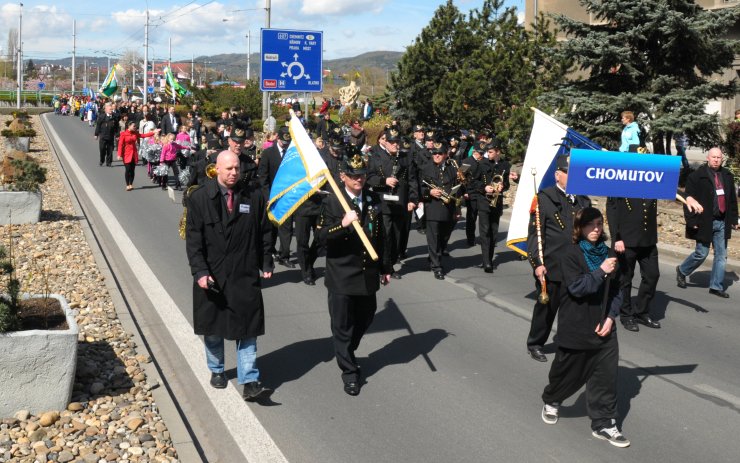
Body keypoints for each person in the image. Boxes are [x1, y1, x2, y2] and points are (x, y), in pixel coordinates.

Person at [185, 150, 274, 403]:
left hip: (244, 273)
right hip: (212, 274)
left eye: (237, 168)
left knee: (247, 329)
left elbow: (265, 232)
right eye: (229, 169)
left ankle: (250, 379)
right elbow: (194, 241)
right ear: (217, 169)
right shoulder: (200, 198)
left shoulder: (254, 197)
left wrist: (266, 262)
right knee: (213, 328)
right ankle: (216, 369)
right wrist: (200, 272)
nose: (234, 173)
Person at [540, 207, 629, 448]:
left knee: (606, 376)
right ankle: (553, 399)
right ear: (580, 228)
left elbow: (619, 289)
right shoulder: (571, 254)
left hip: (604, 327)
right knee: (567, 371)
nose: (596, 229)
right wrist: (601, 271)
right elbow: (578, 288)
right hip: (576, 324)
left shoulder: (610, 253)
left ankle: (605, 423)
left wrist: (611, 317)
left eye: (599, 224)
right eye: (590, 225)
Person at [318, 152, 392, 396]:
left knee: (366, 317)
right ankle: (349, 372)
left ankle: (346, 349)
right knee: (342, 326)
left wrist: (385, 266)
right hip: (341, 274)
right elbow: (321, 239)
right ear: (343, 176)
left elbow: (381, 235)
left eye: (361, 175)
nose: (358, 180)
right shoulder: (332, 201)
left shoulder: (372, 198)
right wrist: (343, 225)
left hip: (367, 273)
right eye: (353, 175)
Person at [526, 155, 591, 362]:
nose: (573, 177)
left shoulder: (583, 199)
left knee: (573, 311)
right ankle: (535, 343)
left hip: (576, 267)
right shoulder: (544, 198)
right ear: (558, 174)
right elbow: (536, 235)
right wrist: (537, 264)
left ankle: (568, 343)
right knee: (546, 310)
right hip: (552, 265)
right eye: (568, 173)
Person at [677, 148, 739, 298]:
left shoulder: (727, 176)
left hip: (722, 221)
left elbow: (731, 200)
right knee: (701, 253)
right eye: (714, 157)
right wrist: (691, 221)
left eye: (719, 157)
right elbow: (688, 200)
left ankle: (716, 286)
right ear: (708, 158)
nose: (716, 160)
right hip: (704, 221)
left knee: (721, 255)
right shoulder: (696, 176)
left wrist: (733, 218)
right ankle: (682, 270)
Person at [366, 128, 418, 278]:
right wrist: (384, 181)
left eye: (397, 142)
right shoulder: (376, 156)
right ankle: (386, 267)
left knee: (397, 235)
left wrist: (413, 199)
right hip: (383, 202)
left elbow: (412, 180)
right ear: (386, 142)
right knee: (385, 235)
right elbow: (369, 177)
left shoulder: (405, 157)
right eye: (392, 142)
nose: (396, 145)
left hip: (400, 202)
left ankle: (391, 262)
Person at [606, 191, 661, 332]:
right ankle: (626, 315)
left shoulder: (652, 180)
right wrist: (616, 237)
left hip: (648, 240)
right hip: (626, 240)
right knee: (625, 280)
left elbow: (670, 185)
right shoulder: (622, 180)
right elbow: (612, 209)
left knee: (652, 275)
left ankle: (641, 312)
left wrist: (688, 198)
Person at [419, 141, 459, 280]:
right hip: (433, 208)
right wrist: (429, 192)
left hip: (448, 208)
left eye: (439, 153)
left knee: (444, 237)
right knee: (434, 238)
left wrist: (457, 209)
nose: (436, 155)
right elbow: (419, 189)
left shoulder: (452, 169)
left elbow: (457, 189)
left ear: (446, 155)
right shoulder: (426, 168)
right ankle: (437, 267)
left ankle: (433, 257)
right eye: (434, 153)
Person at [258, 126, 295, 267]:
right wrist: (268, 196)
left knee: (287, 227)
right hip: (272, 196)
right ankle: (270, 250)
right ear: (277, 138)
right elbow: (263, 176)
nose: (285, 144)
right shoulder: (268, 153)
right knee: (271, 227)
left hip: (287, 196)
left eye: (288, 142)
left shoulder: (292, 153)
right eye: (283, 141)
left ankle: (284, 255)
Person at [471, 140, 510, 272]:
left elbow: (507, 184)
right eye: (488, 152)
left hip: (497, 203)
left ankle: (489, 257)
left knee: (493, 232)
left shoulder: (505, 165)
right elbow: (474, 182)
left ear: (498, 152)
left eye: (491, 152)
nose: (488, 154)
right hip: (484, 202)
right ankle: (486, 262)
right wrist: (484, 187)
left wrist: (503, 186)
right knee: (484, 231)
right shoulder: (482, 163)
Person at [117, 121, 159, 191]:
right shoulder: (123, 134)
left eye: (135, 126)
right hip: (126, 154)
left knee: (132, 170)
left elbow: (143, 135)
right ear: (129, 126)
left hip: (134, 154)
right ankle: (127, 185)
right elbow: (120, 144)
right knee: (128, 170)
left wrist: (153, 132)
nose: (135, 127)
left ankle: (131, 184)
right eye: (134, 126)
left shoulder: (135, 133)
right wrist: (119, 154)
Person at [94, 102, 119, 167]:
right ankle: (102, 160)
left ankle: (109, 162)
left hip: (110, 136)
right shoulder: (102, 116)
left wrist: (117, 135)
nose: (111, 110)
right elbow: (98, 125)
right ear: (106, 109)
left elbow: (116, 127)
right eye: (110, 109)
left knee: (110, 150)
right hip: (103, 136)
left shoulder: (114, 117)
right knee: (102, 149)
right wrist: (96, 134)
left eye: (111, 109)